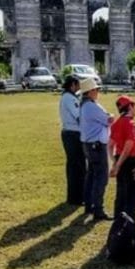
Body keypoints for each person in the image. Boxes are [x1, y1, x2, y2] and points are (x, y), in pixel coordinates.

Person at [78, 77, 113, 221]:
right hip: (97, 145)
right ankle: (98, 209)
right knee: (101, 177)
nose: (98, 92)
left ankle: (89, 204)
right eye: (96, 89)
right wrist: (110, 115)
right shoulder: (92, 106)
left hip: (89, 144)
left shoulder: (85, 105)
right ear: (90, 91)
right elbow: (108, 119)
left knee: (91, 175)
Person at [109, 96, 135, 221]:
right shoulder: (131, 124)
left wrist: (115, 161)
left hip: (120, 159)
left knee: (121, 194)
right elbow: (129, 146)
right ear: (130, 107)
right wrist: (117, 164)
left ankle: (118, 223)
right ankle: (129, 228)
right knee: (132, 197)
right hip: (130, 162)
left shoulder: (116, 123)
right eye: (134, 106)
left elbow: (110, 145)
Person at [59, 75, 86, 206]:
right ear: (73, 85)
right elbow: (78, 116)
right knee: (77, 166)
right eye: (78, 84)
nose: (79, 87)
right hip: (73, 134)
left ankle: (75, 196)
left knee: (74, 165)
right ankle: (76, 197)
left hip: (70, 133)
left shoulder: (69, 97)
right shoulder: (69, 98)